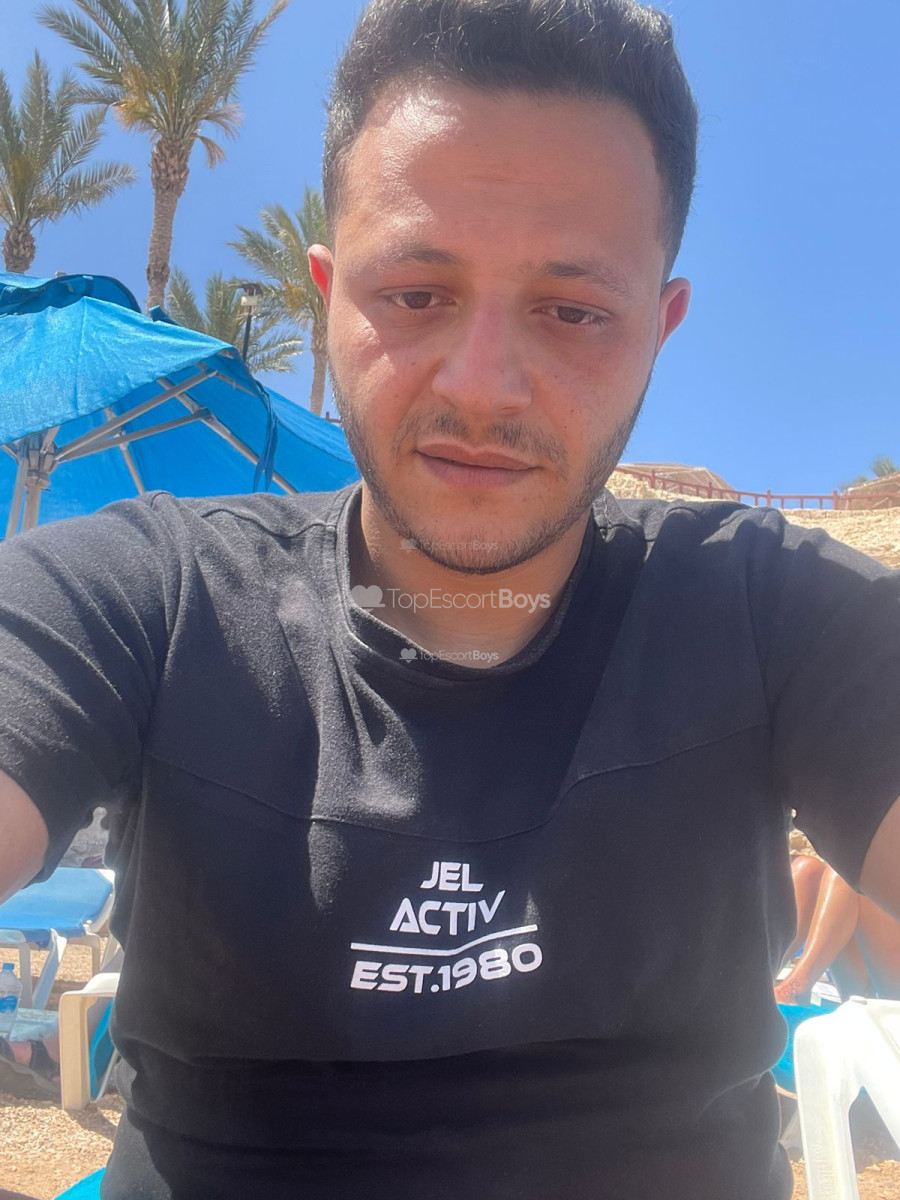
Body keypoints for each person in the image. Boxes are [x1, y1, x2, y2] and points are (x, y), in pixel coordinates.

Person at [0, 1, 898, 1197]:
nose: (483, 388)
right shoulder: (147, 596)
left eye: (573, 311)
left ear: (660, 327)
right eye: (417, 293)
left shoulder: (773, 612)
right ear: (329, 295)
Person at [777, 855, 900, 1005]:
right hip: (866, 985)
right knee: (808, 870)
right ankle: (761, 979)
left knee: (849, 871)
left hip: (891, 994)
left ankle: (796, 987)